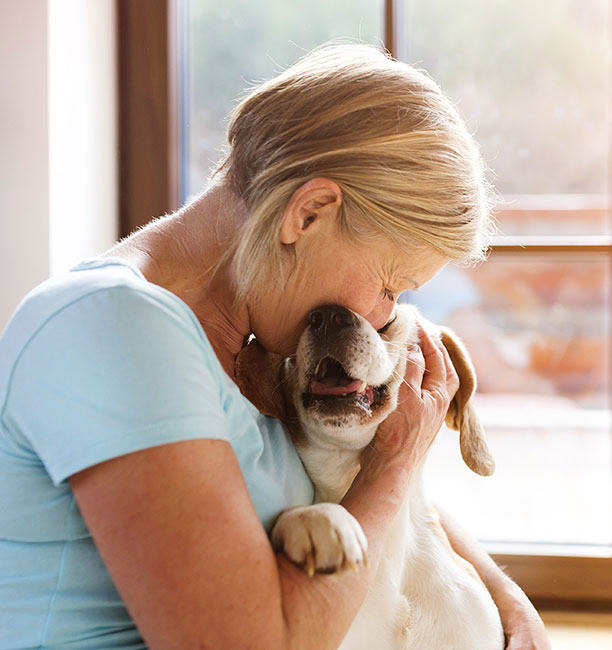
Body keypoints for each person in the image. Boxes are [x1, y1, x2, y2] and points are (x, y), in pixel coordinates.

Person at [0, 44, 551, 649]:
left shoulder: (259, 347)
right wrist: (393, 468)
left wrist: (506, 598)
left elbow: (357, 493)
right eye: (390, 286)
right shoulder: (116, 328)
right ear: (309, 213)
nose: (382, 318)